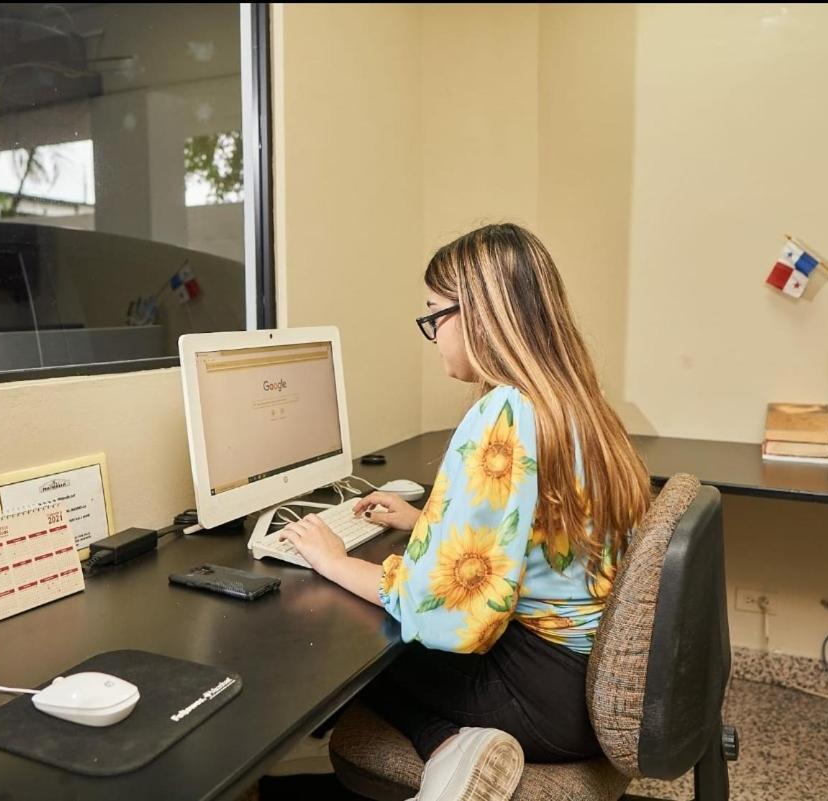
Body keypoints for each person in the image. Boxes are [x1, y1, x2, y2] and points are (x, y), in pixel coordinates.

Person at [278, 223, 651, 801]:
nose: (433, 335)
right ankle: (454, 746)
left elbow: (449, 610)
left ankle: (449, 747)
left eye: (434, 316)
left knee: (353, 660)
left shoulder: (502, 411)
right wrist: (427, 519)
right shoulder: (575, 402)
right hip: (586, 682)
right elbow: (536, 524)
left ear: (478, 314)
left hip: (538, 698)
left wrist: (332, 560)